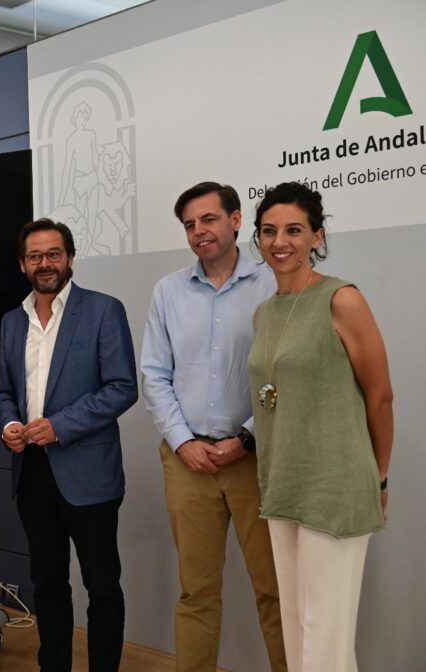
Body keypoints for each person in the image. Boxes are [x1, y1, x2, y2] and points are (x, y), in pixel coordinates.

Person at [141, 182, 285, 671]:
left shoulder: (272, 284)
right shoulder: (168, 291)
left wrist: (247, 439)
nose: (199, 231)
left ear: (236, 221)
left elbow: (286, 376)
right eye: (189, 224)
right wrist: (183, 442)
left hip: (257, 460)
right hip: (189, 463)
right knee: (197, 592)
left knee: (276, 591)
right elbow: (155, 375)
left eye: (208, 219)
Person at [247, 182, 392, 672]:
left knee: (325, 639)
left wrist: (380, 477)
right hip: (282, 484)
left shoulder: (341, 298)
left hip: (335, 485)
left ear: (317, 236)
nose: (279, 241)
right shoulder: (263, 313)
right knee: (297, 629)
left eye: (293, 230)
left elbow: (380, 396)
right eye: (268, 231)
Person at [0, 218, 138, 672]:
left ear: (70, 258)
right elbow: (3, 392)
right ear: (22, 265)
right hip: (32, 473)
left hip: (88, 474)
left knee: (102, 587)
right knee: (48, 584)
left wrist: (60, 425)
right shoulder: (10, 322)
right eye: (35, 256)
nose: (45, 263)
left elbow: (122, 387)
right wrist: (10, 424)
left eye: (54, 254)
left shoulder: (103, 310)